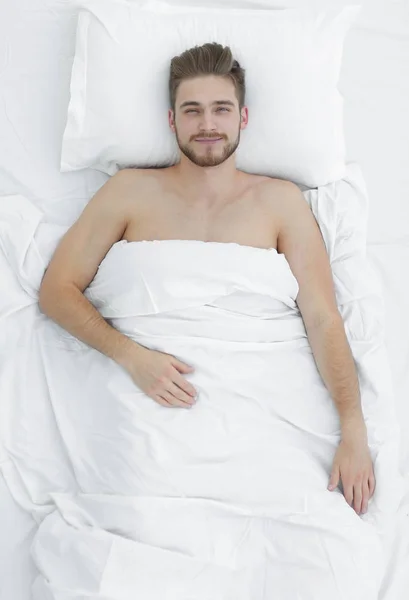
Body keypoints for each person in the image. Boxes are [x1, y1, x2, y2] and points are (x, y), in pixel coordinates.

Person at [39, 41, 375, 518]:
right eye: (192, 111)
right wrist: (131, 357)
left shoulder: (280, 202)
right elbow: (56, 290)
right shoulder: (128, 191)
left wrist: (353, 429)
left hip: (262, 409)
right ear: (172, 121)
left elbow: (322, 319)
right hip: (149, 411)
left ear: (243, 117)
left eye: (221, 109)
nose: (208, 125)